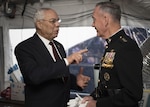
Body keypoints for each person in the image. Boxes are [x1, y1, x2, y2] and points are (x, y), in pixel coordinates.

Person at [14, 8, 90, 107]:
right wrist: (67, 60)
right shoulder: (24, 48)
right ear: (39, 24)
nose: (58, 24)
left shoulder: (59, 46)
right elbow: (34, 76)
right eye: (53, 21)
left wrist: (75, 82)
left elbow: (58, 76)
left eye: (58, 20)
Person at [82, 1, 143, 107]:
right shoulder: (112, 45)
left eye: (94, 19)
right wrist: (93, 96)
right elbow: (107, 84)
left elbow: (133, 94)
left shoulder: (126, 47)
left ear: (105, 20)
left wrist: (97, 104)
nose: (92, 24)